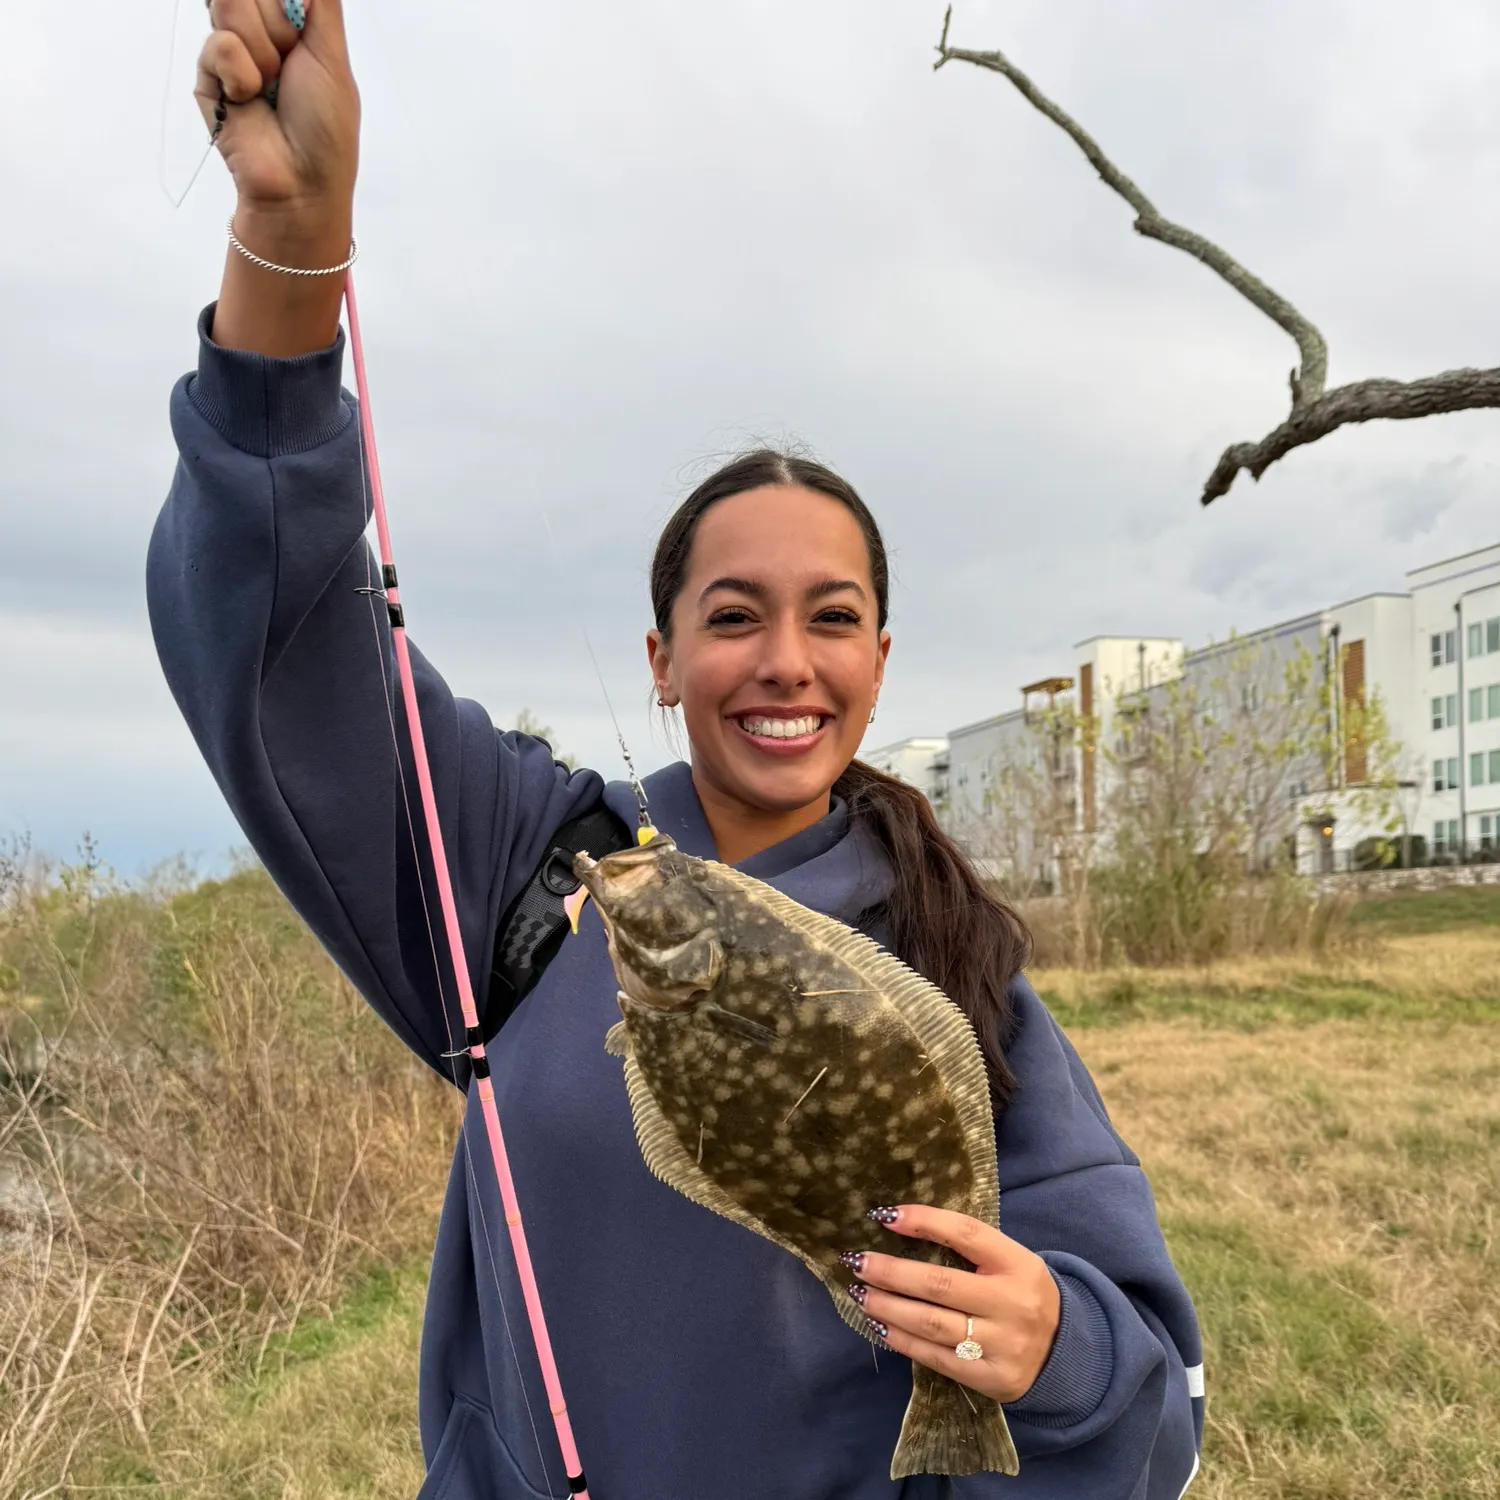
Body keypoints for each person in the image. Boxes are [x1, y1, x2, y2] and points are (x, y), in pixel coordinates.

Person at [149, 2, 1204, 1495]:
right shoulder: (535, 874)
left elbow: (1153, 1400)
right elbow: (279, 645)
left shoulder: (956, 964)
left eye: (832, 618)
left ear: (880, 663)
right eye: (732, 616)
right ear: (661, 661)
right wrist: (291, 241)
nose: (785, 661)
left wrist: (1057, 1347)